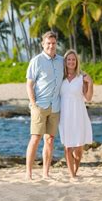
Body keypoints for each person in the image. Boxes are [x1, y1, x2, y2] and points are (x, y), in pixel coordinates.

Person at [25, 31, 64, 180]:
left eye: (53, 43)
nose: (51, 46)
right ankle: (28, 173)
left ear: (56, 44)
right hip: (40, 106)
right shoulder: (36, 61)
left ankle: (45, 173)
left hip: (55, 106)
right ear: (43, 44)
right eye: (48, 43)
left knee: (50, 140)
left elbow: (72, 71)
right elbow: (29, 84)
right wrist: (33, 105)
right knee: (35, 138)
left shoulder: (61, 60)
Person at [58, 49, 94, 178]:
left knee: (79, 149)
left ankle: (76, 169)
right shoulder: (60, 77)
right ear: (65, 62)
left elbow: (88, 98)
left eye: (73, 59)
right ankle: (72, 175)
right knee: (68, 147)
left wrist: (90, 83)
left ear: (76, 61)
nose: (71, 62)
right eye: (69, 59)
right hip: (65, 116)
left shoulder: (81, 77)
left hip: (79, 114)